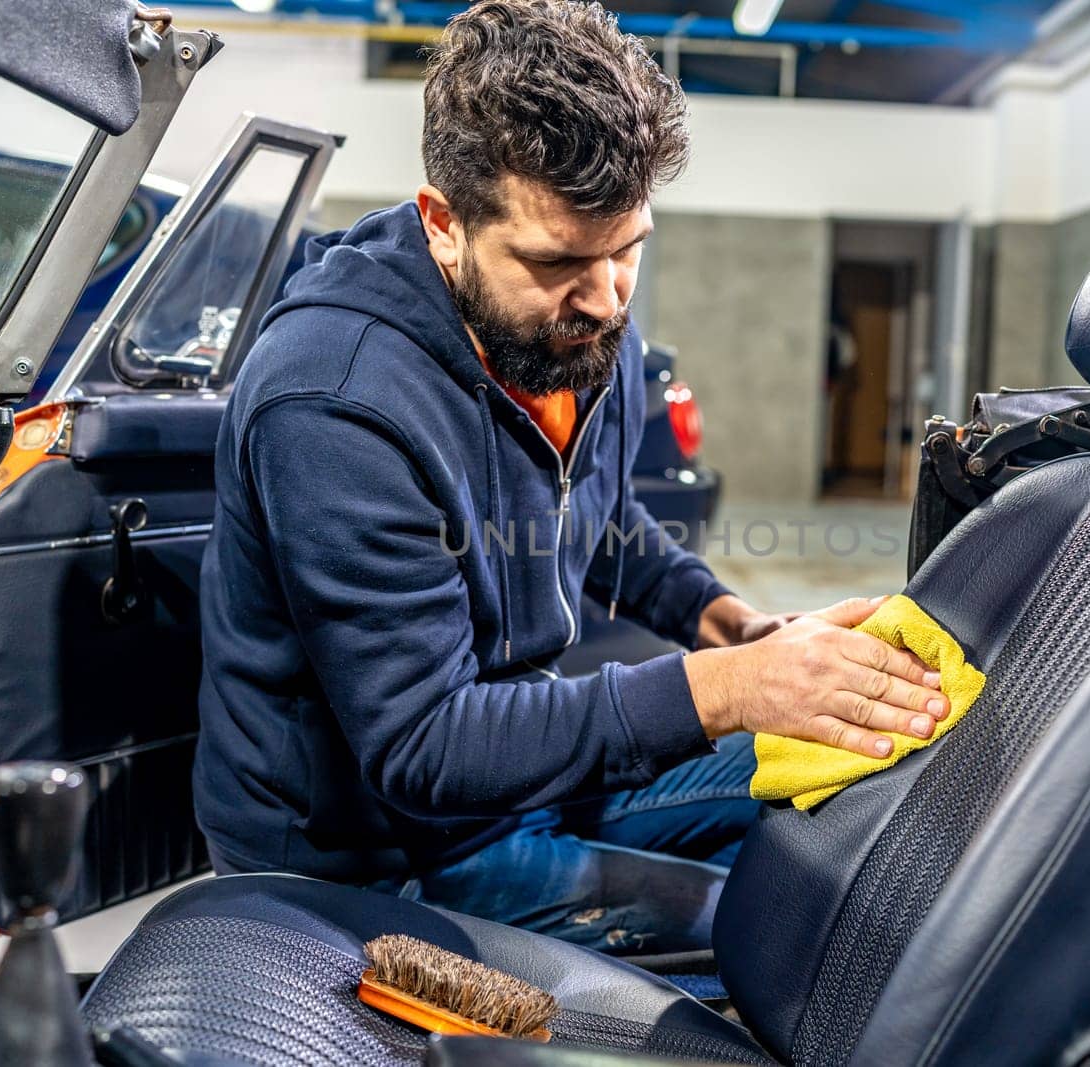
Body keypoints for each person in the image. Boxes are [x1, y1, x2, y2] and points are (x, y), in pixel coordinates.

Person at [192, 0, 948, 954]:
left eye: (628, 249)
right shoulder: (336, 400)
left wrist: (737, 626)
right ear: (443, 226)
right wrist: (729, 685)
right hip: (376, 856)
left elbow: (605, 523)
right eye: (556, 261)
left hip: (527, 774)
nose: (603, 299)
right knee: (790, 936)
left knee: (862, 808)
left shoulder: (579, 332)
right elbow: (426, 747)